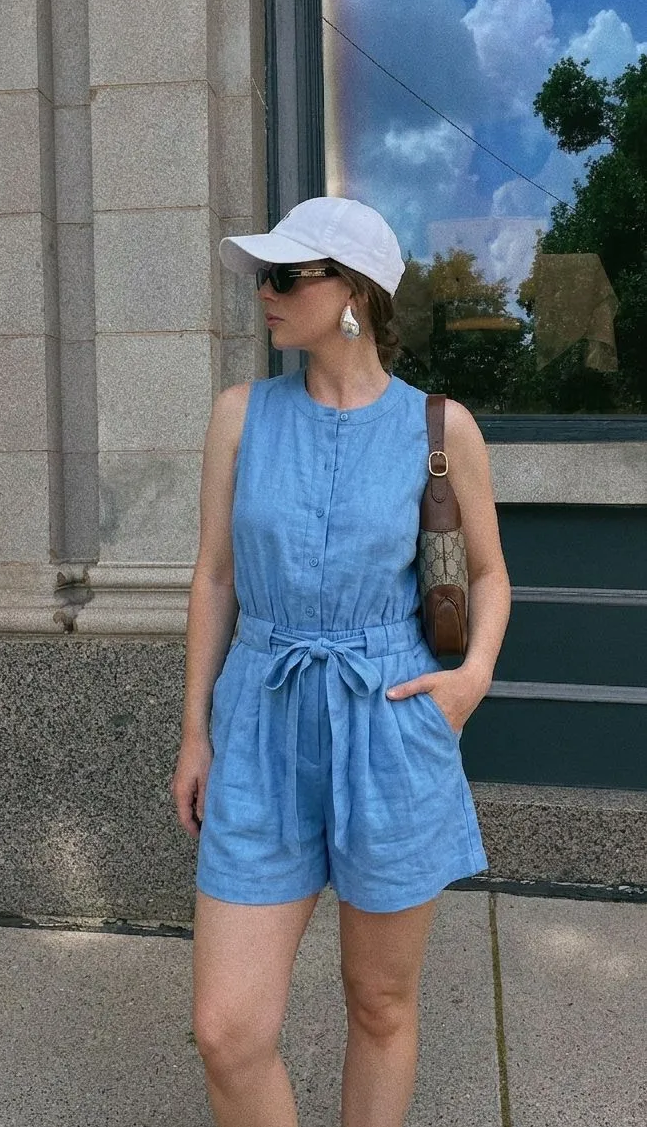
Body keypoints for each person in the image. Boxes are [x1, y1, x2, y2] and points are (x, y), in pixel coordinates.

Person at [171, 196, 511, 1127]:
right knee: (228, 1029)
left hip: (389, 715)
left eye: (285, 276)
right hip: (260, 721)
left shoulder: (440, 428)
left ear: (352, 291)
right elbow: (214, 578)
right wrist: (195, 729)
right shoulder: (240, 416)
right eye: (262, 277)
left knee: (381, 1004)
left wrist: (470, 679)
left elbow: (488, 574)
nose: (265, 295)